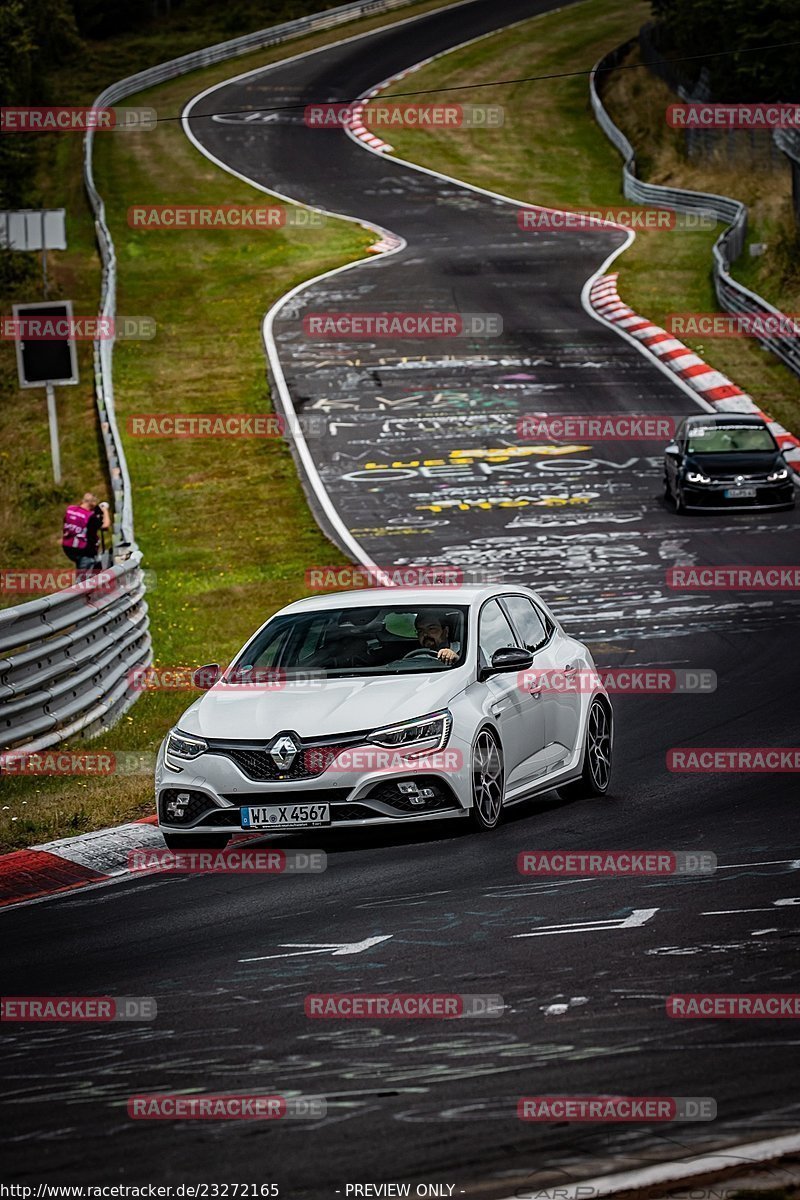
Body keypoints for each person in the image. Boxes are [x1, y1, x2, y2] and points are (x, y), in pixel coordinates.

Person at [61, 493, 111, 572]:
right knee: (85, 576)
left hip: (68, 548)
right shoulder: (90, 516)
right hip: (84, 550)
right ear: (92, 503)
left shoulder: (70, 510)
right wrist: (105, 511)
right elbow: (105, 526)